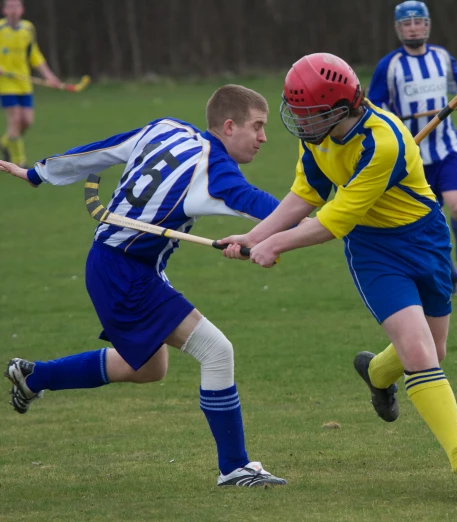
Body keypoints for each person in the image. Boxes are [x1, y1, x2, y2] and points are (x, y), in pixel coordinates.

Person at [219, 53, 457, 503]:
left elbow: (332, 221)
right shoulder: (318, 136)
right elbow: (305, 195)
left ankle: (375, 372)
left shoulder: (383, 142)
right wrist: (254, 235)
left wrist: (275, 245)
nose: (299, 122)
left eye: (308, 112)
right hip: (374, 250)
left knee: (435, 349)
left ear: (337, 108)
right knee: (419, 351)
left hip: (424, 238)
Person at [1, 84, 288, 488]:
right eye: (257, 127)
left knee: (150, 368)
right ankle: (235, 467)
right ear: (228, 126)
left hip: (120, 264)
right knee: (217, 351)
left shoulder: (165, 128)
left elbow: (102, 152)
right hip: (124, 273)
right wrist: (283, 235)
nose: (263, 138)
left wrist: (37, 173)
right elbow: (278, 213)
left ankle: (35, 376)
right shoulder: (217, 174)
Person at [367, 1, 457, 295]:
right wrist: (387, 122)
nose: (413, 28)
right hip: (411, 156)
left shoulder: (441, 57)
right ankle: (450, 272)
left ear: (427, 25)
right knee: (430, 224)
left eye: (418, 22)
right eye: (407, 24)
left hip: (446, 149)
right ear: (398, 29)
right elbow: (374, 106)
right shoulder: (389, 66)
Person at [0, 0, 63, 167]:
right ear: (5, 10)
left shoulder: (28, 28)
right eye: (10, 7)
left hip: (24, 83)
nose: (13, 10)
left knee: (26, 121)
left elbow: (34, 55)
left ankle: (6, 142)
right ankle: (18, 160)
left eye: (16, 7)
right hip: (6, 84)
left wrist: (50, 76)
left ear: (22, 10)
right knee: (14, 120)